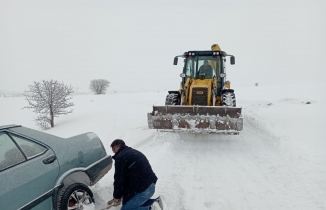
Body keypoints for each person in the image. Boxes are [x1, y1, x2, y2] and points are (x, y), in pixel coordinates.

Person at [110, 139, 163, 210]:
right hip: (151, 186)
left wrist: (116, 196)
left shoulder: (120, 157)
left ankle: (151, 208)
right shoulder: (133, 152)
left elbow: (119, 180)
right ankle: (156, 202)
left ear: (116, 148)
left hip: (144, 190)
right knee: (130, 203)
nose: (114, 152)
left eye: (113, 150)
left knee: (126, 209)